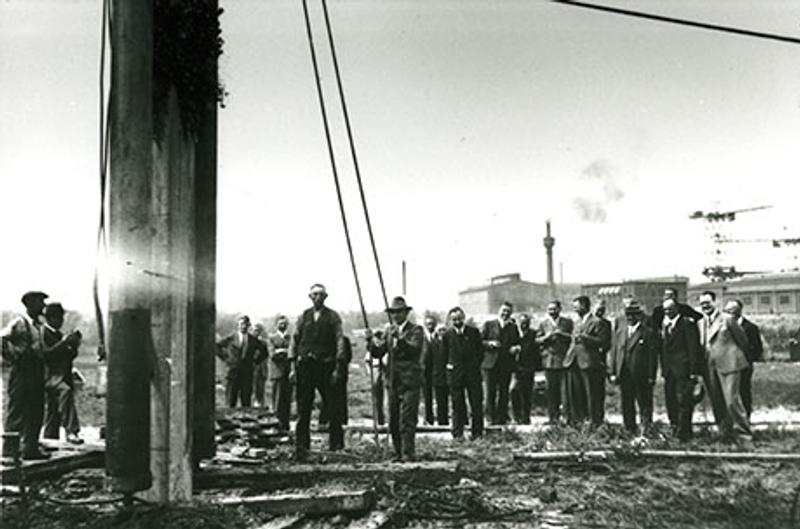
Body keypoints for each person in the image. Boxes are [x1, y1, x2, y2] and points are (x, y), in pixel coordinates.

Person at [291, 284, 347, 460]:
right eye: (314, 294)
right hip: (306, 367)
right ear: (310, 297)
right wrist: (293, 367)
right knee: (303, 408)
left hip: (326, 366)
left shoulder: (333, 317)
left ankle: (336, 446)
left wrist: (338, 367)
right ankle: (301, 447)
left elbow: (340, 341)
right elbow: (294, 340)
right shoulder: (303, 316)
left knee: (333, 407)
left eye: (321, 295)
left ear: (325, 297)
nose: (317, 298)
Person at [366, 296, 424, 461]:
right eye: (393, 312)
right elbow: (378, 352)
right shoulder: (389, 332)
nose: (396, 315)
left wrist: (400, 338)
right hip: (392, 381)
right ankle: (398, 453)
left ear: (406, 313)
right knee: (393, 421)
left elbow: (414, 350)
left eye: (399, 312)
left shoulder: (416, 330)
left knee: (407, 419)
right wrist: (370, 341)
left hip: (410, 381)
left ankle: (408, 454)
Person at [1, 291, 49, 459]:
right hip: (21, 371)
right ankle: (9, 451)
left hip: (36, 370)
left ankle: (30, 449)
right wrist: (13, 356)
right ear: (29, 304)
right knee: (18, 409)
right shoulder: (19, 322)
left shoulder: (39, 325)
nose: (43, 306)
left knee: (36, 409)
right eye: (40, 302)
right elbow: (2, 340)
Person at [698, 291, 752, 441]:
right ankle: (725, 431)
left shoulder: (727, 320)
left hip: (730, 364)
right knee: (717, 401)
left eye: (708, 303)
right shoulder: (700, 323)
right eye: (702, 304)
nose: (705, 306)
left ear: (715, 303)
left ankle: (744, 431)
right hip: (710, 366)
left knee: (731, 400)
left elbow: (743, 341)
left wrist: (743, 362)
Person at [607, 301, 659, 434]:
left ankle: (646, 429)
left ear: (639, 316)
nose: (630, 318)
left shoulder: (647, 333)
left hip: (641, 375)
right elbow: (614, 352)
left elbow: (652, 357)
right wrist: (613, 371)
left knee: (644, 403)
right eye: (628, 314)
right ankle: (629, 429)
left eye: (633, 315)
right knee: (627, 403)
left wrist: (651, 376)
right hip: (624, 374)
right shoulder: (620, 332)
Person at [660, 299, 703, 441]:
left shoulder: (687, 324)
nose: (667, 312)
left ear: (677, 309)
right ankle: (674, 428)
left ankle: (684, 433)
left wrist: (693, 371)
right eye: (665, 310)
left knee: (684, 401)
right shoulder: (665, 326)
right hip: (669, 372)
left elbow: (693, 349)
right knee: (670, 401)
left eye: (670, 309)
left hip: (683, 370)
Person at [564, 295, 609, 427]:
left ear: (584, 305)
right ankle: (579, 422)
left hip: (589, 363)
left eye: (576, 306)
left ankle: (595, 422)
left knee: (592, 395)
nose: (574, 308)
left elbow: (603, 342)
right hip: (574, 362)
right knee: (576, 395)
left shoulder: (597, 322)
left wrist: (585, 338)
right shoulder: (577, 322)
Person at [41, 302, 83, 444]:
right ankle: (72, 431)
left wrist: (74, 345)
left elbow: (68, 356)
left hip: (61, 376)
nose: (61, 321)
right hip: (49, 376)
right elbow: (47, 354)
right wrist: (64, 343)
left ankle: (50, 439)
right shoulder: (43, 333)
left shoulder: (58, 335)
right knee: (65, 393)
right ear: (50, 318)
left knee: (54, 412)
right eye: (59, 318)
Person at [440, 306, 484, 439]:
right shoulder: (447, 335)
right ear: (451, 320)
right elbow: (444, 355)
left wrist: (474, 365)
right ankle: (457, 433)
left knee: (476, 403)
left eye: (459, 318)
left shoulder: (474, 332)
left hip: (472, 373)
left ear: (463, 318)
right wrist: (451, 368)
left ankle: (477, 432)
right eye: (454, 319)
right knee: (457, 404)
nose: (457, 321)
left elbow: (480, 352)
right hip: (456, 375)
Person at [480, 302, 520, 425]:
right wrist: (489, 344)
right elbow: (479, 342)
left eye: (508, 311)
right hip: (490, 363)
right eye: (503, 310)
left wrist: (516, 348)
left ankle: (501, 418)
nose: (505, 313)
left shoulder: (513, 327)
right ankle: (490, 418)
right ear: (499, 310)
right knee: (490, 392)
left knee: (504, 392)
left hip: (506, 364)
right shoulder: (489, 324)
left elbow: (517, 342)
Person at [535, 300, 573, 425]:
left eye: (554, 309)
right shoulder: (543, 323)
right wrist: (547, 337)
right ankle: (553, 418)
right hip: (549, 361)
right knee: (551, 391)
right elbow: (537, 340)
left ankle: (566, 417)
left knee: (565, 392)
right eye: (549, 309)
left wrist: (561, 334)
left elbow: (572, 338)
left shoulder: (567, 322)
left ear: (559, 309)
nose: (552, 311)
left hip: (563, 361)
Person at [216, 315, 267, 408]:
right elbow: (216, 347)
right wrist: (226, 359)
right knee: (231, 402)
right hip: (232, 373)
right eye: (242, 324)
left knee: (246, 402)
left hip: (247, 374)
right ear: (238, 325)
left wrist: (255, 361)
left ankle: (246, 421)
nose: (243, 326)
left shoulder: (253, 340)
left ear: (249, 325)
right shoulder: (231, 338)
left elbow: (264, 352)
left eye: (246, 324)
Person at [724, 300, 763, 419]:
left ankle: (746, 417)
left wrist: (746, 358)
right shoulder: (724, 326)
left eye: (731, 311)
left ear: (739, 311)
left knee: (744, 391)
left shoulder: (750, 328)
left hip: (744, 365)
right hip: (727, 365)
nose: (729, 314)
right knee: (729, 393)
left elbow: (757, 348)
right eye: (726, 311)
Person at [510, 313, 540, 424]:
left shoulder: (533, 334)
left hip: (528, 367)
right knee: (514, 391)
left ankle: (526, 417)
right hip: (516, 367)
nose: (524, 325)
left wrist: (521, 349)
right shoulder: (514, 333)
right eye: (522, 322)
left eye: (526, 323)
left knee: (527, 393)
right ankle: (516, 416)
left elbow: (534, 349)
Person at [267, 315, 292, 431]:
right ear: (276, 325)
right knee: (277, 401)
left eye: (284, 323)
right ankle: (277, 426)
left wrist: (281, 351)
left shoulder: (290, 338)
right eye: (280, 323)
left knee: (287, 401)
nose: (283, 325)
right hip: (277, 373)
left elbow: (293, 353)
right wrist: (284, 352)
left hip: (288, 374)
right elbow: (273, 355)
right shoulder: (272, 338)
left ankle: (285, 426)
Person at [593, 300, 612, 423]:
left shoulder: (607, 323)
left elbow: (607, 341)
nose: (600, 312)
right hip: (589, 358)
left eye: (602, 310)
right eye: (598, 310)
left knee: (599, 389)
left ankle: (599, 415)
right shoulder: (588, 322)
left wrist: (602, 349)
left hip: (600, 360)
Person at [364, 330, 387, 425]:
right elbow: (367, 361)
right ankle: (379, 418)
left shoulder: (385, 346)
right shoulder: (373, 348)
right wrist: (370, 372)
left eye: (380, 338)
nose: (378, 340)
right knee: (377, 395)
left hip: (386, 370)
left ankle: (386, 418)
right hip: (376, 370)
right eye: (377, 338)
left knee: (386, 395)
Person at [420, 314, 440, 425]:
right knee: (426, 395)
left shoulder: (439, 336)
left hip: (437, 370)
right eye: (428, 324)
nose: (430, 326)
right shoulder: (421, 338)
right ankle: (428, 418)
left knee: (439, 395)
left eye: (432, 324)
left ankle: (441, 418)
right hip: (425, 371)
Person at [431, 324, 450, 425]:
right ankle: (442, 421)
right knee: (440, 399)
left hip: (449, 374)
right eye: (440, 330)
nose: (442, 332)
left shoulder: (450, 342)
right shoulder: (432, 343)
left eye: (444, 330)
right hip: (437, 374)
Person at [251, 322, 270, 409]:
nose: (256, 332)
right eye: (255, 330)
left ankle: (260, 405)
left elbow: (266, 355)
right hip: (251, 368)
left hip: (261, 368)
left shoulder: (263, 343)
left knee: (260, 389)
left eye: (258, 331)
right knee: (252, 389)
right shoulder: (249, 342)